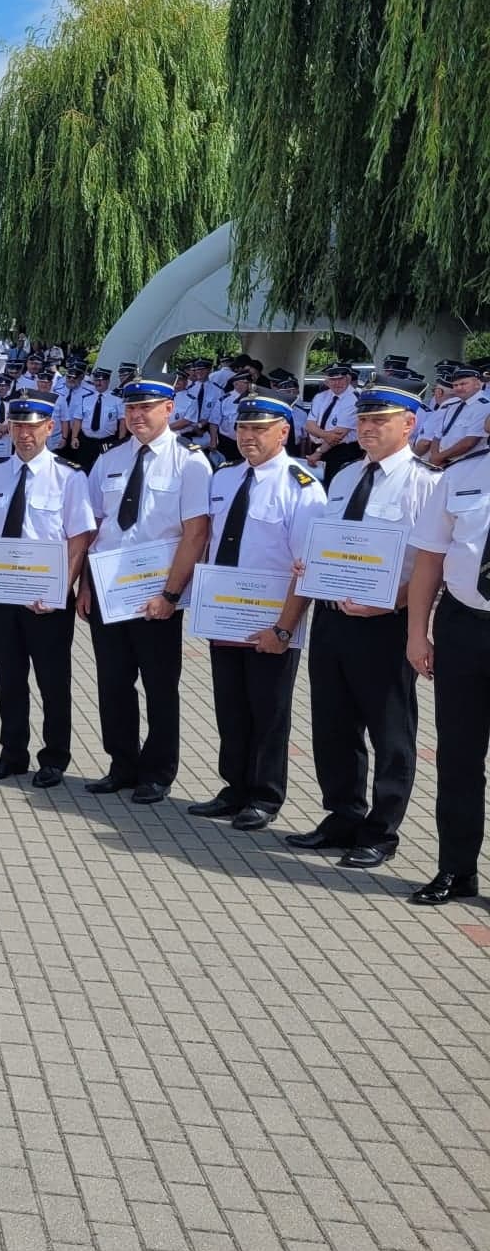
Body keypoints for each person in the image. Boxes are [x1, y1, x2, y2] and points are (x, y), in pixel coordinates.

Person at [283, 376, 438, 869]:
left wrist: (392, 604)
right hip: (332, 619)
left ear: (409, 423)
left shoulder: (425, 483)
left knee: (390, 731)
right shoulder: (346, 475)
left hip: (385, 624)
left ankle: (381, 830)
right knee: (333, 724)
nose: (366, 428)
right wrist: (312, 565)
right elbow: (331, 539)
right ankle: (342, 815)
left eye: (379, 420)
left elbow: (432, 565)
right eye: (363, 419)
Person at [185, 394, 325, 831]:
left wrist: (283, 629)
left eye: (259, 429)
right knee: (230, 708)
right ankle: (235, 788)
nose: (248, 436)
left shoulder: (302, 487)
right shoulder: (225, 477)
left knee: (269, 712)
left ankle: (265, 796)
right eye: (243, 428)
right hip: (225, 614)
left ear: (283, 432)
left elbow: (306, 565)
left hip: (271, 621)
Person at [79, 379, 213, 804]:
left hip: (157, 595)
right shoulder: (109, 460)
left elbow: (196, 534)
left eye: (147, 407)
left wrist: (171, 596)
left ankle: (157, 772)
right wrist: (85, 585)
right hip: (109, 592)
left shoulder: (190, 462)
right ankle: (121, 764)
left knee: (159, 686)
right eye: (131, 408)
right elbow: (94, 528)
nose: (137, 415)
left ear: (169, 408)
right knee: (113, 683)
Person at [0, 397, 95, 787]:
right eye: (18, 426)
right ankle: (12, 753)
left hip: (47, 598)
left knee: (52, 681)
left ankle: (54, 758)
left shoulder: (69, 477)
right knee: (8, 677)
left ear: (50, 428)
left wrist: (62, 590)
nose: (24, 434)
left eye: (33, 426)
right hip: (3, 595)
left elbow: (80, 539)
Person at [406, 438, 490, 904]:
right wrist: (417, 634)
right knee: (458, 757)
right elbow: (430, 559)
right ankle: (456, 870)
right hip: (463, 625)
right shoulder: (461, 474)